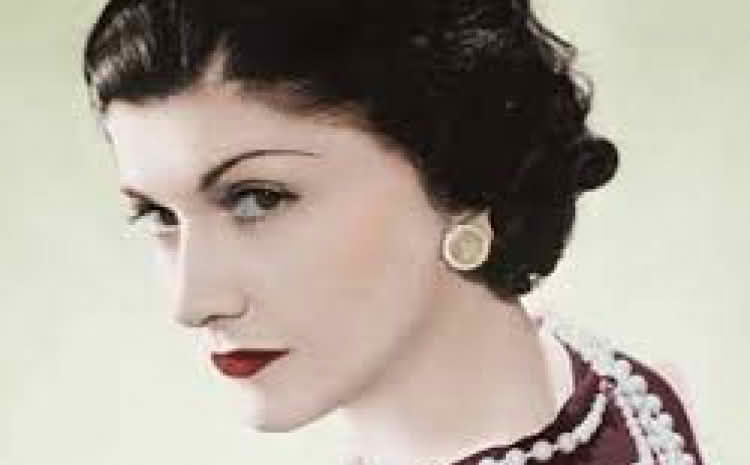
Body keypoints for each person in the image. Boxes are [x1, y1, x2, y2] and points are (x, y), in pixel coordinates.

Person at [82, 1, 705, 464]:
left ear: (461, 174)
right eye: (159, 215)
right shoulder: (632, 395)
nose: (191, 302)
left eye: (257, 199)